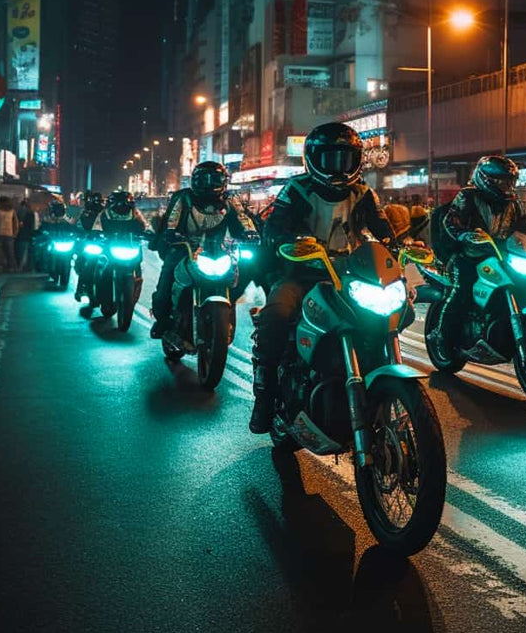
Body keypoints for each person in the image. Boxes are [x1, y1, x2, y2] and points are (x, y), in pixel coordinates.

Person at [249, 123, 393, 434]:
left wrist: (401, 246)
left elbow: (382, 229)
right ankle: (265, 396)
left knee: (383, 314)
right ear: (313, 159)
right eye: (329, 159)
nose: (338, 167)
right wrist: (289, 242)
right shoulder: (297, 189)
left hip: (350, 275)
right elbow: (276, 226)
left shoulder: (364, 193)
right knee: (276, 316)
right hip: (300, 273)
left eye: (345, 159)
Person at [431, 155, 526, 359]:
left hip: (501, 255)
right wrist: (465, 234)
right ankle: (443, 338)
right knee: (462, 290)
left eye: (509, 181)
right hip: (469, 255)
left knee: (525, 283)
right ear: (486, 179)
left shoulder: (512, 203)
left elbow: (523, 223)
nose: (506, 186)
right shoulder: (467, 196)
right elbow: (451, 221)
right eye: (502, 181)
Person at [149, 162, 257, 339]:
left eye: (214, 179)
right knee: (166, 282)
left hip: (219, 251)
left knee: (243, 274)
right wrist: (170, 234)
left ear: (223, 182)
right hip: (184, 248)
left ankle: (228, 315)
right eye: (203, 180)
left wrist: (251, 233)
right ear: (194, 181)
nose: (209, 184)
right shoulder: (183, 198)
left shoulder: (231, 199)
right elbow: (172, 220)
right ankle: (162, 321)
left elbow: (242, 219)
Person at [0, 198, 20, 271]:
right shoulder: (1, 211)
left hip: (6, 234)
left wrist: (15, 233)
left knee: (9, 252)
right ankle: (5, 266)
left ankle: (10, 266)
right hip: (4, 234)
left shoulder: (10, 211)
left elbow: (15, 223)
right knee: (4, 252)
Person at [16, 198, 39, 271]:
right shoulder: (31, 213)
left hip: (24, 235)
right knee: (29, 252)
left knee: (23, 252)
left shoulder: (25, 212)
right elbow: (33, 226)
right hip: (30, 235)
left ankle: (23, 266)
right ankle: (28, 267)